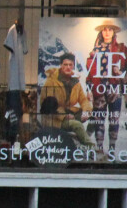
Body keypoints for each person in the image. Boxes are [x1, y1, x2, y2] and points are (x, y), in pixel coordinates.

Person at [85, 20, 126, 155]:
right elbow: (90, 70)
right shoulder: (94, 50)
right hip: (99, 89)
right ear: (101, 32)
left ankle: (113, 149)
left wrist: (120, 72)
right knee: (99, 119)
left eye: (110, 29)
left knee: (114, 119)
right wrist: (90, 87)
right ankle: (100, 147)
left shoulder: (121, 48)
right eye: (104, 29)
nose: (107, 32)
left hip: (114, 89)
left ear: (113, 32)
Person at [40, 53, 95, 148]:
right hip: (54, 118)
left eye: (70, 65)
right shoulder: (51, 81)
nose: (68, 67)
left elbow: (84, 100)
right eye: (65, 65)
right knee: (77, 125)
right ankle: (91, 147)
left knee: (95, 116)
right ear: (61, 65)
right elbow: (48, 105)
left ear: (73, 66)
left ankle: (80, 140)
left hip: (69, 114)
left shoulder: (75, 82)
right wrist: (64, 116)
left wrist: (86, 112)